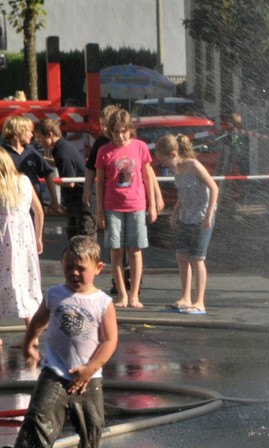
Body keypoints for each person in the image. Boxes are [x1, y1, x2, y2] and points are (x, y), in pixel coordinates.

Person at [0, 235, 118, 448]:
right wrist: (29, 341)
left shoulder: (102, 303)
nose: (74, 273)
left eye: (81, 268)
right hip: (54, 372)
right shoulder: (55, 294)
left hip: (89, 376)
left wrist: (90, 368)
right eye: (69, 267)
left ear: (98, 269)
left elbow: (110, 341)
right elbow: (39, 320)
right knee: (35, 418)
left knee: (92, 424)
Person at [95, 109, 158, 309]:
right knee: (116, 250)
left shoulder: (140, 147)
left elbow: (148, 176)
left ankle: (134, 295)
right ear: (110, 132)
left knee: (135, 250)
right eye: (116, 132)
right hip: (112, 206)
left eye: (123, 131)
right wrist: (99, 211)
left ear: (130, 130)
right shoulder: (104, 151)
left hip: (137, 205)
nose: (120, 136)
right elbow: (100, 181)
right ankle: (122, 294)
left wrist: (153, 204)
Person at [153, 134, 219, 314]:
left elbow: (214, 188)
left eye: (164, 159)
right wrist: (175, 212)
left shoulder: (193, 165)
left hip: (201, 214)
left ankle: (200, 301)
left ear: (174, 154)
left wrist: (208, 215)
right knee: (182, 255)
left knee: (196, 258)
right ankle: (185, 298)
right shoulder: (177, 169)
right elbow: (183, 194)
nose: (163, 164)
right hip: (185, 215)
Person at [0, 147, 44, 334]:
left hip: (3, 237)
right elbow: (39, 211)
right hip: (24, 238)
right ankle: (31, 335)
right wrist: (38, 237)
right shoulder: (25, 181)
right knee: (24, 281)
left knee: (3, 280)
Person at [35, 118, 93, 238]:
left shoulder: (62, 152)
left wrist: (51, 182)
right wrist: (44, 161)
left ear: (50, 134)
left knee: (82, 239)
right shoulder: (62, 147)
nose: (38, 141)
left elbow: (70, 182)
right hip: (77, 201)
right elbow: (60, 163)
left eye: (40, 137)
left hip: (80, 202)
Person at [2, 115, 56, 207]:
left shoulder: (32, 152)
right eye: (29, 131)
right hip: (10, 204)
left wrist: (54, 200)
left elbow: (47, 173)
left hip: (34, 204)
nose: (32, 135)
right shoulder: (3, 153)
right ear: (17, 131)